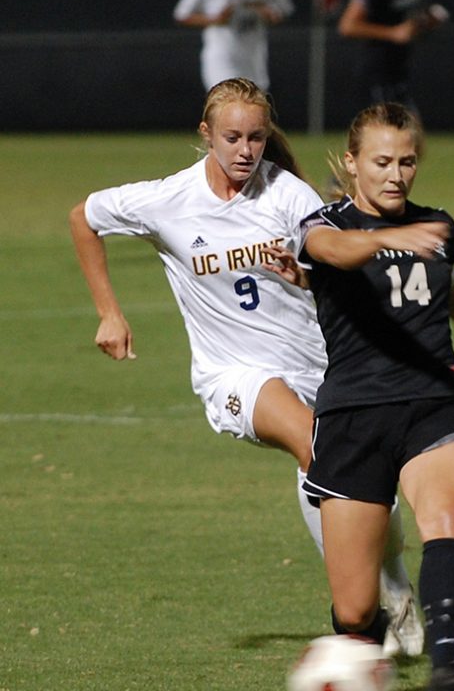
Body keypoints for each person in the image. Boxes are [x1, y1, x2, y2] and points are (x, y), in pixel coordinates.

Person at [68, 77, 423, 658]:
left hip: (317, 366)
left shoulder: (290, 197)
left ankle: (394, 582)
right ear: (206, 134)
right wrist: (109, 312)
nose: (245, 150)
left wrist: (304, 276)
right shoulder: (169, 199)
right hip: (232, 376)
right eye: (232, 137)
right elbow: (84, 217)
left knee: (363, 478)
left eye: (256, 137)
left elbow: (342, 275)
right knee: (317, 447)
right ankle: (357, 622)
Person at [298, 102, 454, 691]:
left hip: (432, 400)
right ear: (352, 162)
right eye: (382, 161)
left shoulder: (436, 225)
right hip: (353, 416)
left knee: (443, 514)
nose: (396, 174)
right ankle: (360, 668)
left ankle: (447, 670)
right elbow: (336, 252)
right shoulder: (320, 225)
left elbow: (448, 281)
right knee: (356, 608)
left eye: (407, 162)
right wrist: (388, 238)